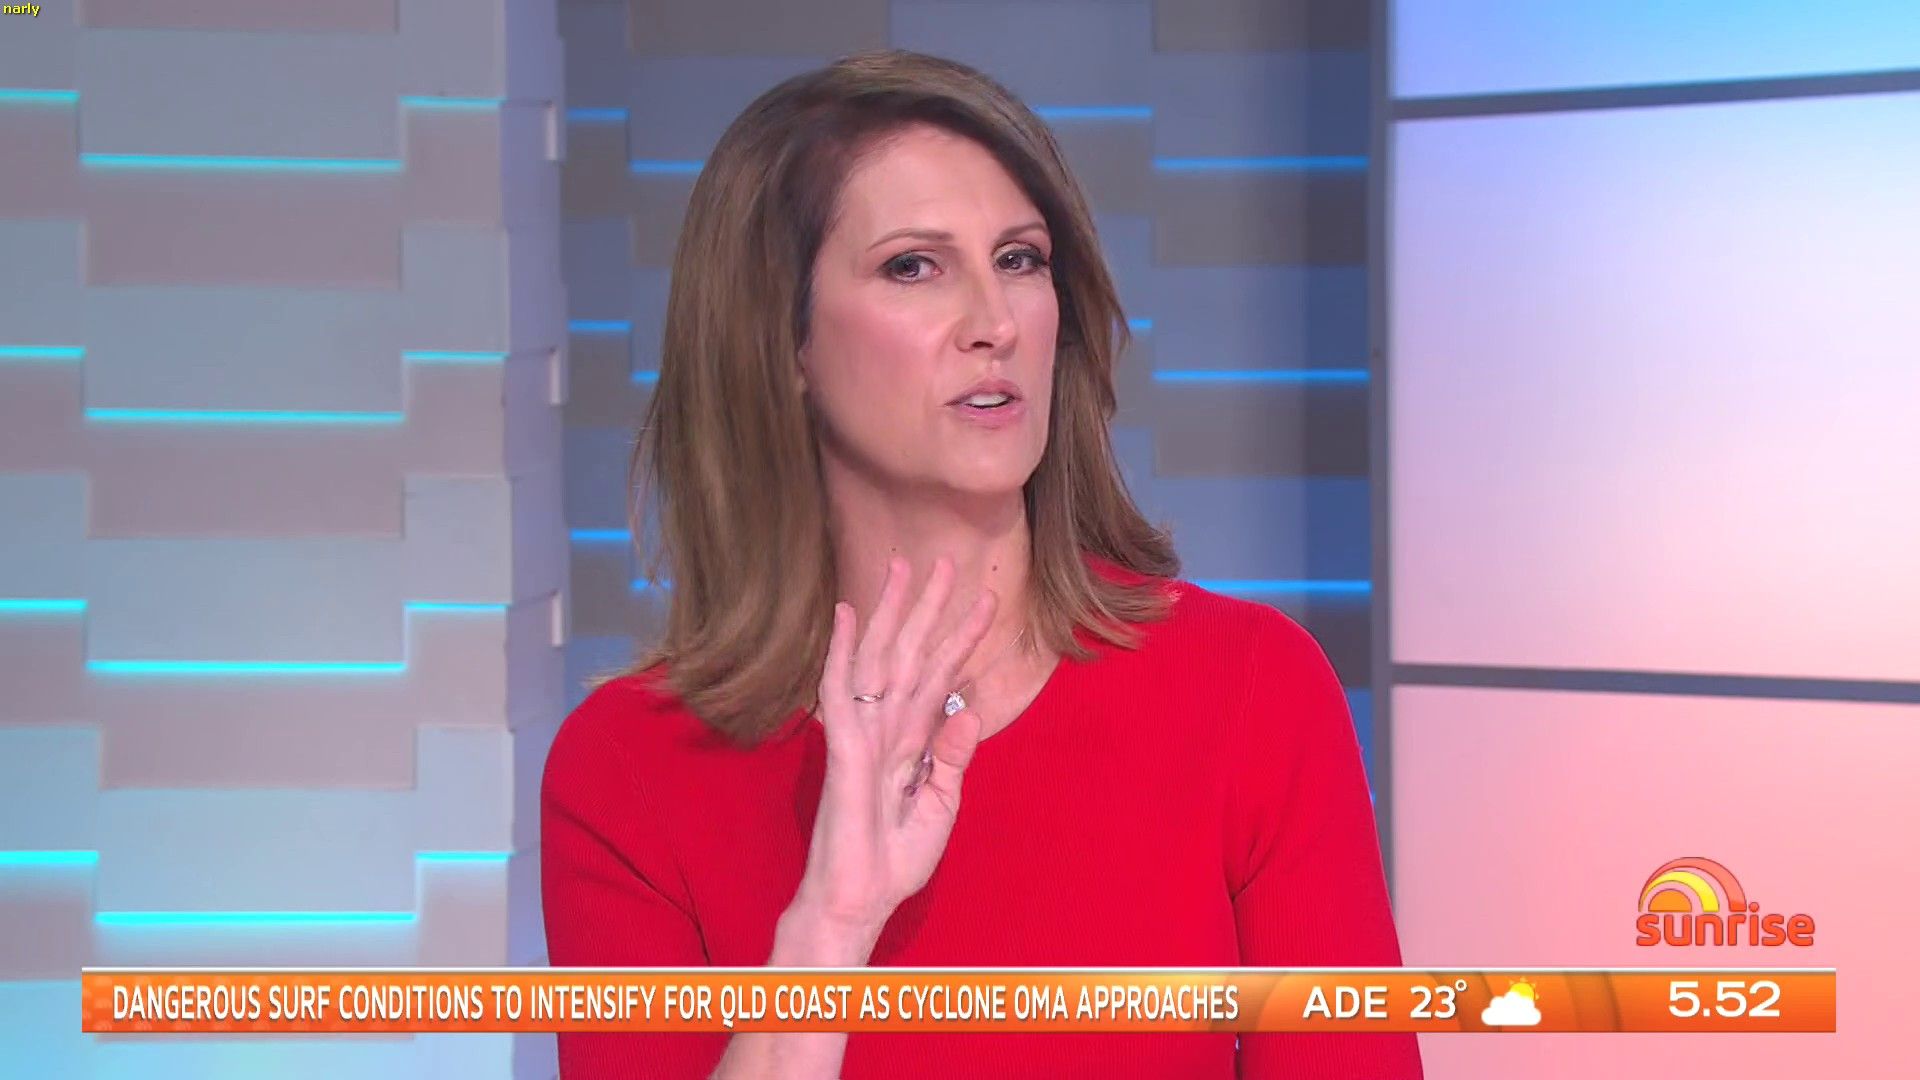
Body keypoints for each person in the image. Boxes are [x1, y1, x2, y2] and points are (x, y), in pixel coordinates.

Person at [540, 48, 1421, 1079]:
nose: (995, 324)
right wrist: (832, 922)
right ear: (782, 344)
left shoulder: (1250, 690)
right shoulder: (629, 772)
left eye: (1020, 259)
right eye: (913, 267)